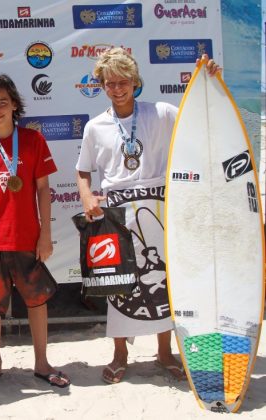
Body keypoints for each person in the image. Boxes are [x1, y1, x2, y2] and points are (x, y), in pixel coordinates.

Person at [76, 48, 221, 384]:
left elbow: (198, 119)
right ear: (101, 85)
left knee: (163, 283)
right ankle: (120, 354)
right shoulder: (95, 127)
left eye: (123, 81)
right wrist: (86, 196)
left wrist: (210, 82)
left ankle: (164, 352)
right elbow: (83, 170)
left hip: (158, 204)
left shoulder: (162, 112)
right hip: (115, 211)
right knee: (119, 286)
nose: (117, 89)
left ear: (135, 81)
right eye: (109, 83)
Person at [0, 74, 69, 389]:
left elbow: (44, 190)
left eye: (2, 103)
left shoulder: (33, 141)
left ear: (14, 105)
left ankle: (42, 362)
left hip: (26, 238)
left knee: (36, 301)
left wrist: (45, 234)